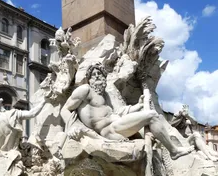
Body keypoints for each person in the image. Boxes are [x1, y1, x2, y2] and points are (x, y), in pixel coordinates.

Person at [63, 63, 194, 160]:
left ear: (104, 78)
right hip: (108, 130)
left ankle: (169, 150)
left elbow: (119, 112)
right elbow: (65, 109)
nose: (97, 77)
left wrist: (139, 105)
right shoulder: (85, 90)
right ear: (89, 79)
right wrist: (73, 127)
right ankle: (174, 151)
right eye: (93, 75)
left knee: (150, 124)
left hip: (116, 126)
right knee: (152, 116)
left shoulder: (105, 96)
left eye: (100, 75)